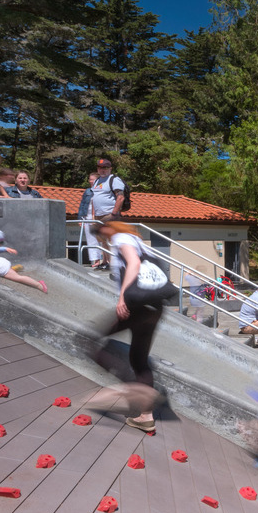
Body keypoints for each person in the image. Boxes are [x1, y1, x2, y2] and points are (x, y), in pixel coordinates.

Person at [91, 220, 168, 432]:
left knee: (91, 340)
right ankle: (145, 416)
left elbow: (133, 264)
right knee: (139, 359)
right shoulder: (136, 239)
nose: (103, 240)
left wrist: (122, 297)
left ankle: (131, 389)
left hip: (138, 306)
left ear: (107, 228)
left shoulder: (120, 238)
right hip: (155, 307)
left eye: (100, 234)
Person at [76, 172, 104, 268]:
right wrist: (80, 218)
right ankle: (95, 260)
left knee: (99, 239)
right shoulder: (87, 191)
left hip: (98, 218)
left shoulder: (102, 190)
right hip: (87, 217)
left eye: (92, 179)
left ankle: (102, 259)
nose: (90, 181)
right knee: (90, 240)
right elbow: (82, 205)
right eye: (90, 179)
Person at [89, 156, 128, 224]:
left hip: (109, 215)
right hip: (97, 217)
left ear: (110, 169)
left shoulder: (114, 179)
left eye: (105, 168)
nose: (102, 170)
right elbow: (94, 199)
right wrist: (93, 216)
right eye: (100, 168)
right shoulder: (96, 181)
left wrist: (113, 214)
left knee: (110, 234)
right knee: (98, 235)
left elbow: (121, 197)